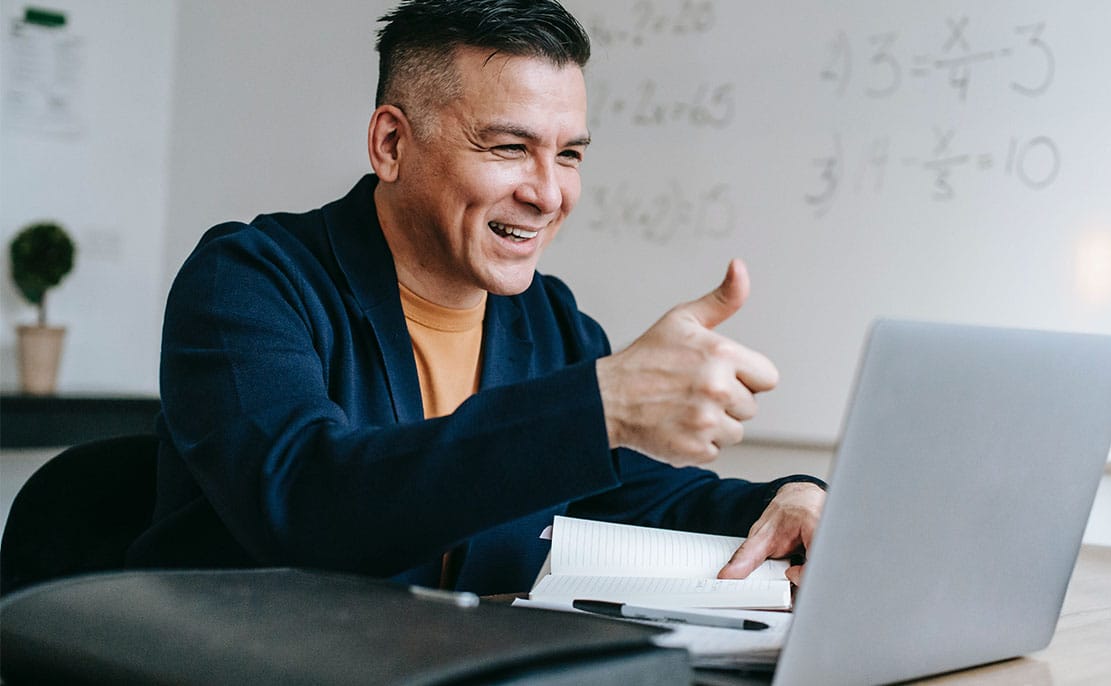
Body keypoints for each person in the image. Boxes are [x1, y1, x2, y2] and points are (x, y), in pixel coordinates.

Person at [128, 0, 826, 596]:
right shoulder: (247, 282)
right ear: (392, 142)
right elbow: (305, 505)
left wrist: (780, 501)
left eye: (571, 154)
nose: (548, 193)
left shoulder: (549, 318)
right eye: (508, 147)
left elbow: (620, 494)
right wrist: (598, 407)